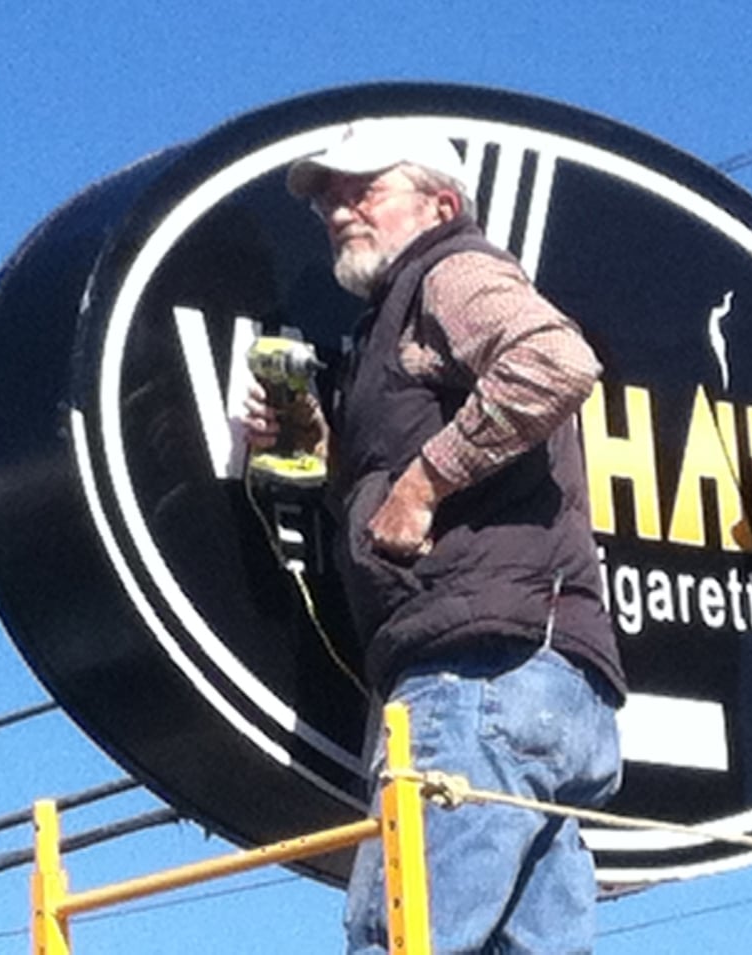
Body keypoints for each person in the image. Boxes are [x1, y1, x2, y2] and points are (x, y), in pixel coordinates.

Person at [244, 119, 626, 954]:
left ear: (441, 204)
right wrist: (321, 443)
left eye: (365, 190)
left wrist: (422, 485)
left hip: (475, 675)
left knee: (402, 934)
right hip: (544, 682)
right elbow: (388, 489)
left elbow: (556, 362)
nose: (340, 212)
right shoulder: (393, 317)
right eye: (328, 201)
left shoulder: (451, 272)